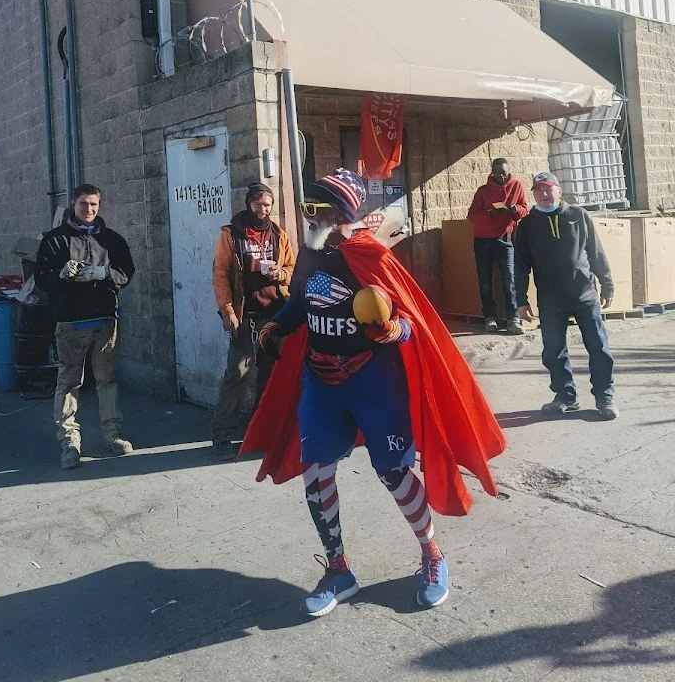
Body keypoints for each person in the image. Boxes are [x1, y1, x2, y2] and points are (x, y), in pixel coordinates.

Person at [241, 169, 506, 617]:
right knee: (316, 473)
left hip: (373, 381)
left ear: (341, 214)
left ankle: (432, 555)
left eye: (316, 207)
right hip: (321, 383)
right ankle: (338, 569)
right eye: (306, 206)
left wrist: (390, 330)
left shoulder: (370, 255)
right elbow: (302, 302)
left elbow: (410, 324)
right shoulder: (308, 253)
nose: (308, 215)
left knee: (395, 473)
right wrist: (276, 325)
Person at [35, 184, 136, 469]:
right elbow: (41, 279)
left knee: (107, 379)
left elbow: (127, 273)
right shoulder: (54, 240)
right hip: (70, 322)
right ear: (73, 204)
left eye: (93, 204)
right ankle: (69, 442)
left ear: (99, 205)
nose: (88, 210)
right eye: (83, 204)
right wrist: (60, 274)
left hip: (105, 320)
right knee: (69, 382)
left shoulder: (112, 239)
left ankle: (112, 433)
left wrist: (105, 273)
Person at [514, 172, 618, 420]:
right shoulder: (528, 225)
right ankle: (566, 396)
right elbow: (519, 266)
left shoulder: (578, 216)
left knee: (599, 348)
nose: (544, 195)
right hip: (550, 302)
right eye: (538, 191)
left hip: (584, 296)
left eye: (548, 189)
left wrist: (607, 285)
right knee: (553, 352)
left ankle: (605, 397)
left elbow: (596, 253)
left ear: (559, 191)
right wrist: (519, 300)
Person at [211, 181, 296, 462]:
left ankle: (259, 431)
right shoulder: (231, 234)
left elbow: (291, 267)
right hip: (245, 316)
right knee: (238, 374)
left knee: (270, 376)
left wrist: (280, 275)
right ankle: (222, 434)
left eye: (268, 204)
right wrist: (227, 311)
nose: (264, 208)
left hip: (274, 315)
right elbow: (220, 274)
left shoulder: (279, 234)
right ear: (249, 204)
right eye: (258, 203)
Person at [467, 158, 528, 334]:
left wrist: (516, 210)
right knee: (485, 281)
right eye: (498, 173)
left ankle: (513, 319)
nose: (502, 176)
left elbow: (525, 208)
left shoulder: (517, 186)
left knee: (509, 278)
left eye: (505, 172)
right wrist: (490, 213)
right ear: (492, 172)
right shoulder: (483, 191)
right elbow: (471, 216)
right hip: (483, 239)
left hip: (505, 238)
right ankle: (490, 318)